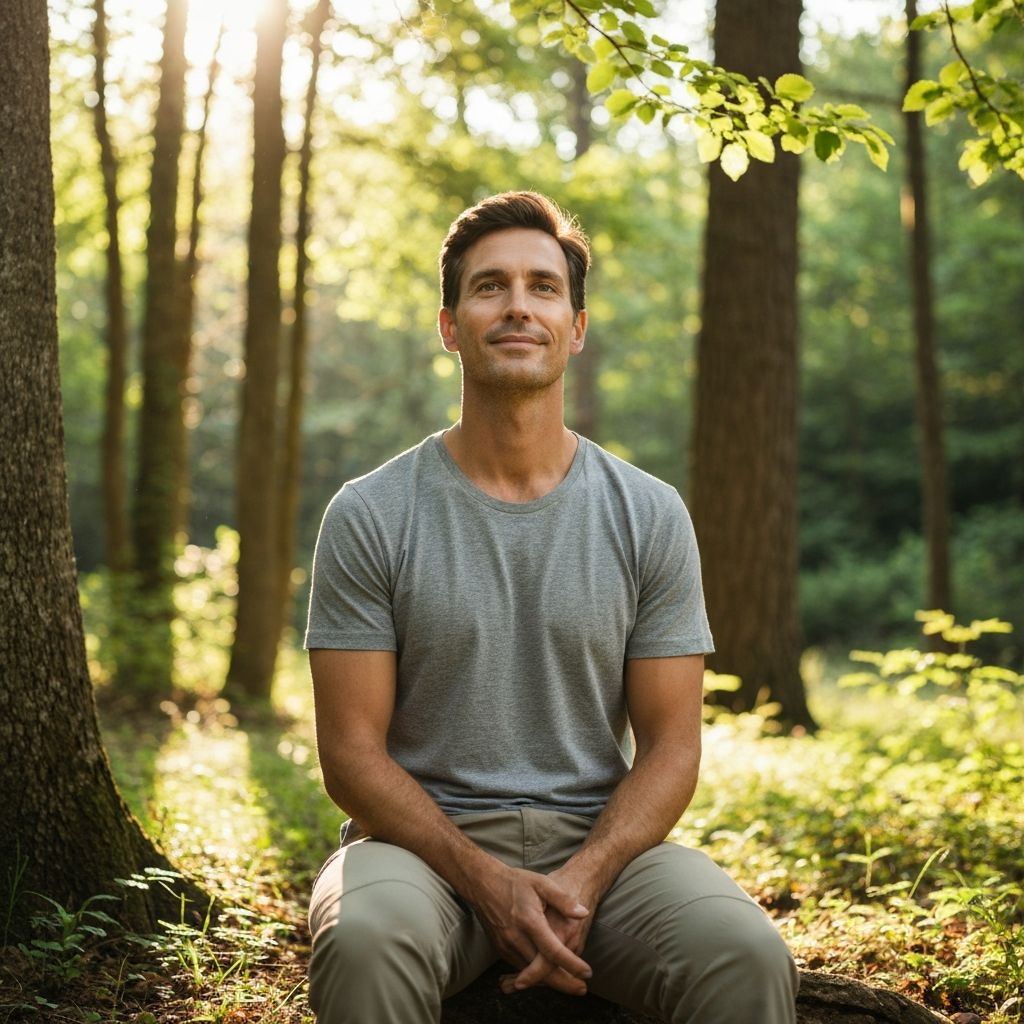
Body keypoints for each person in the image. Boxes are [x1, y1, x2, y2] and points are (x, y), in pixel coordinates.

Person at [304, 191, 799, 1024]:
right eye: (489, 286)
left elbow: (674, 746)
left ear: (575, 326)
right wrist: (485, 881)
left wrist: (587, 875)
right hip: (417, 854)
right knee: (363, 944)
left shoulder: (648, 513)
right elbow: (352, 756)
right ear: (450, 325)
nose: (518, 306)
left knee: (744, 956)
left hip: (602, 853)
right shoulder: (370, 513)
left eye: (543, 287)